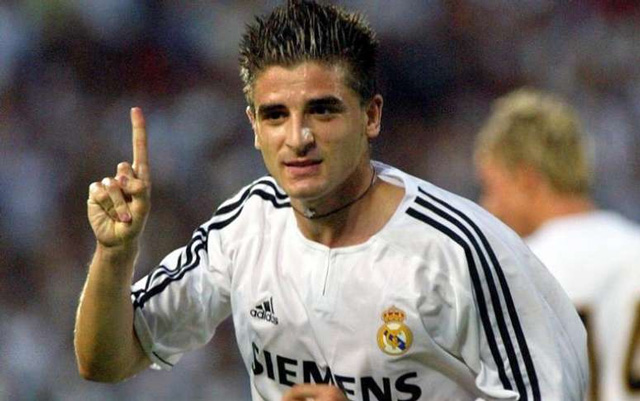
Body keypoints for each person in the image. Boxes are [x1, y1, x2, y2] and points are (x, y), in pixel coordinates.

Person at [74, 2, 588, 400]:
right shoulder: (245, 228)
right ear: (254, 127)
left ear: (371, 116)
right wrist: (115, 255)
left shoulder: (461, 252)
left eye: (322, 111)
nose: (298, 138)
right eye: (275, 115)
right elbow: (107, 360)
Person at [474, 87, 640, 401]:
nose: (487, 206)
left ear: (526, 180)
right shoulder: (635, 250)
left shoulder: (512, 271)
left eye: (491, 188)